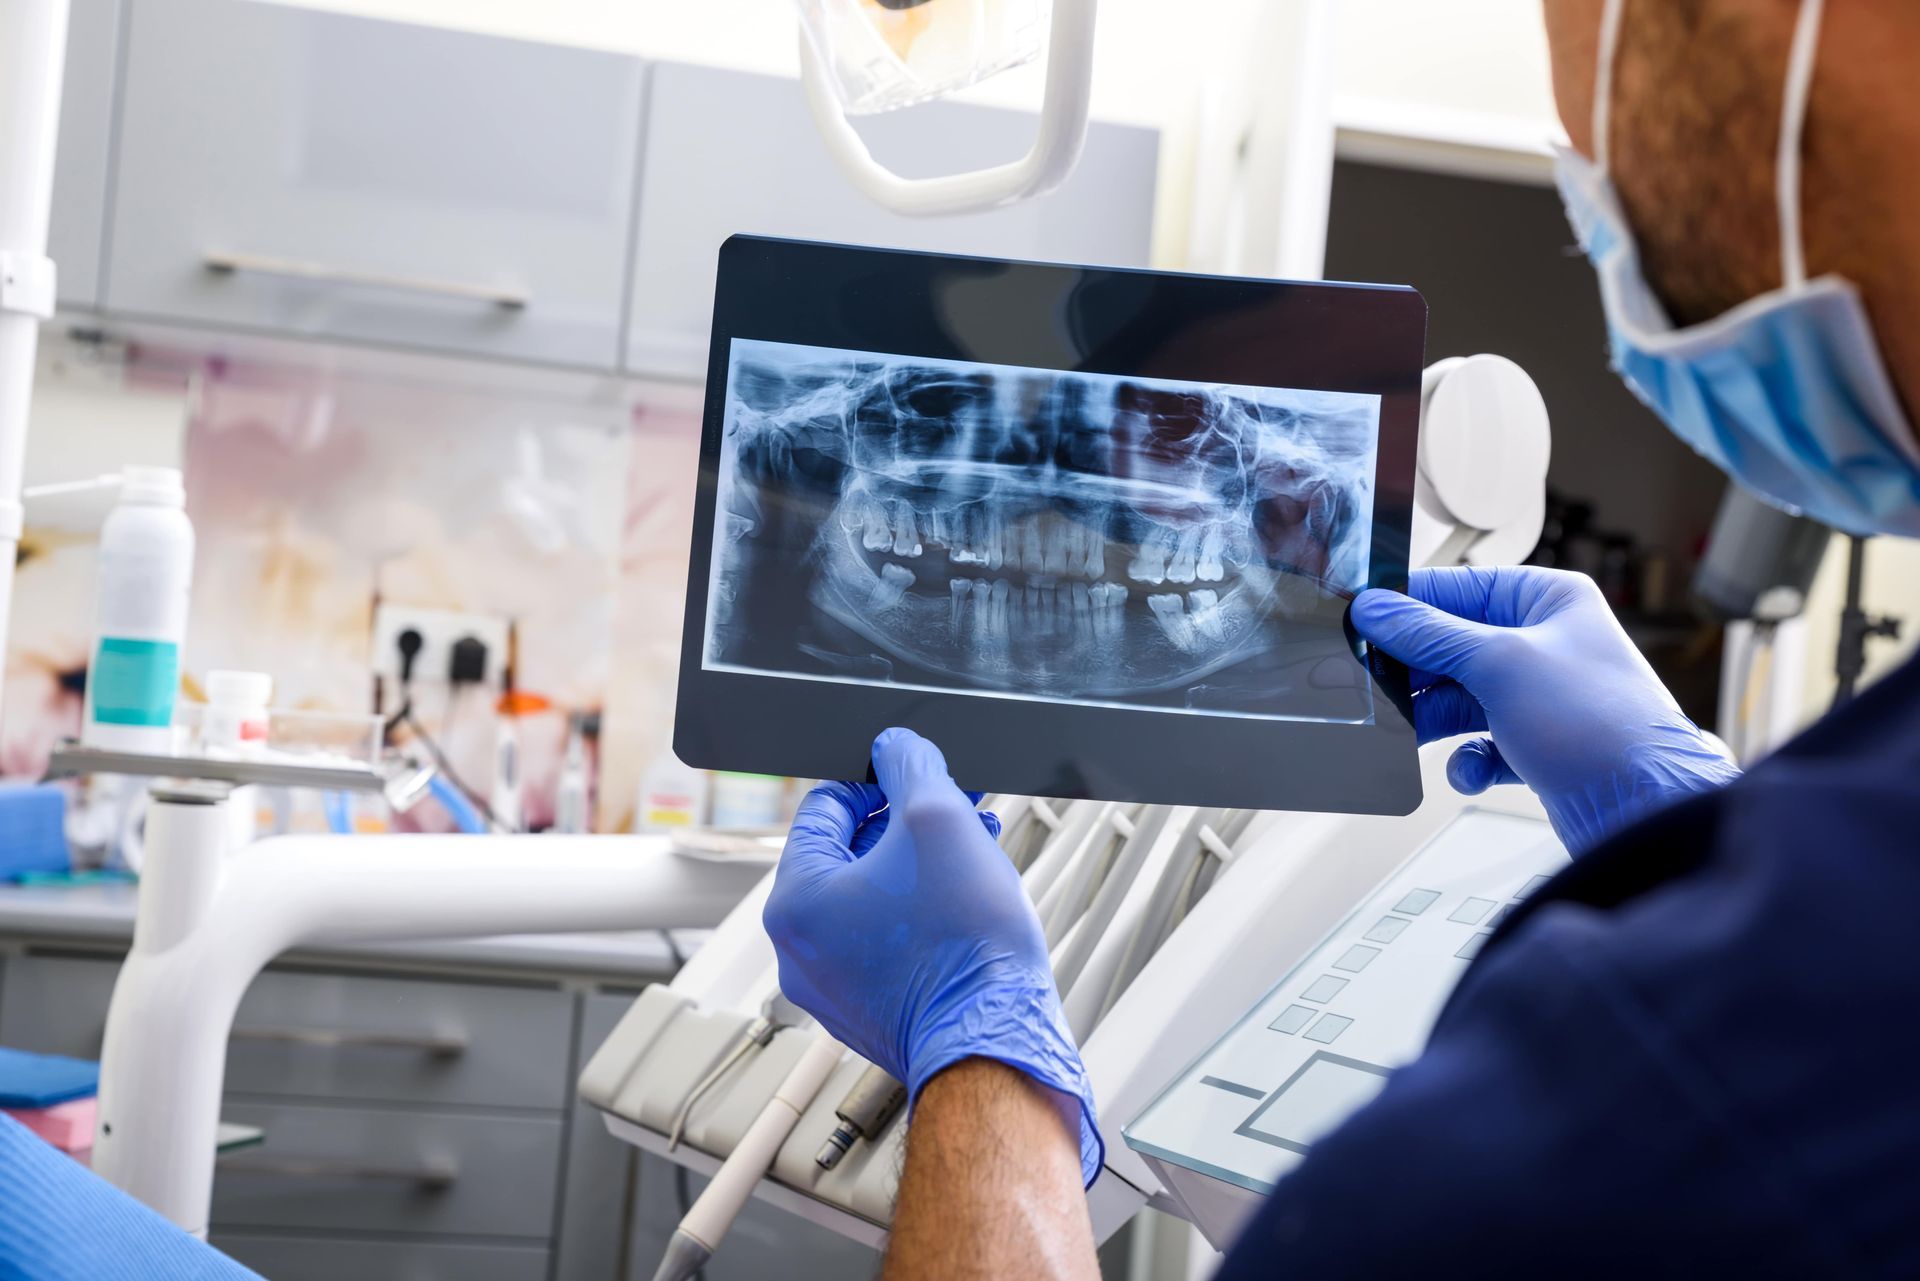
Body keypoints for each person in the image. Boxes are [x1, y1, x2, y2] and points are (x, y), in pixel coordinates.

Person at [762, 0, 1920, 1275]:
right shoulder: (1805, 969)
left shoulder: (1626, 1097)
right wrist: (1678, 825)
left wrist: (975, 1051)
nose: (1578, 126)